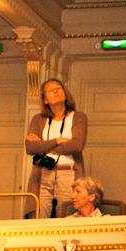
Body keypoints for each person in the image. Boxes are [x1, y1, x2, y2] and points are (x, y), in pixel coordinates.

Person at [24, 78, 87, 219]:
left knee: (68, 217)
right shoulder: (38, 119)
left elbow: (77, 145)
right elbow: (30, 147)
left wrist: (43, 145)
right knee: (38, 218)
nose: (57, 91)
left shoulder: (78, 117)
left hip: (68, 174)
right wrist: (57, 141)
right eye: (51, 90)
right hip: (43, 173)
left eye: (59, 88)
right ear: (45, 100)